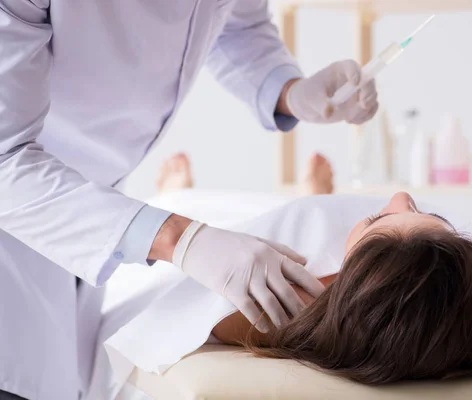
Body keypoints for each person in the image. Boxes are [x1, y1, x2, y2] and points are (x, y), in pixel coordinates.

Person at [0, 2, 380, 399]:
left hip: (99, 193)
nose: (403, 197)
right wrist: (179, 238)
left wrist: (288, 91)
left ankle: (181, 195)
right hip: (23, 195)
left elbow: (235, 21)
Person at [146, 153, 472, 384]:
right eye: (426, 213)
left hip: (254, 236)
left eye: (373, 218)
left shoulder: (265, 314)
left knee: (224, 215)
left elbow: (184, 309)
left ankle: (177, 196)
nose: (401, 195)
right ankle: (317, 199)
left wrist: (332, 288)